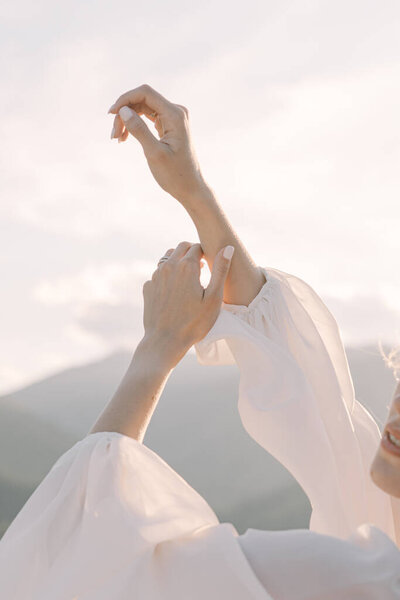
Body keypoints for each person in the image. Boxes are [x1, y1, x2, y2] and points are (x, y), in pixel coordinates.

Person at [0, 85, 399, 599]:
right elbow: (318, 400)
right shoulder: (381, 537)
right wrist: (192, 191)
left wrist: (158, 349)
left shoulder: (350, 578)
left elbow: (68, 557)